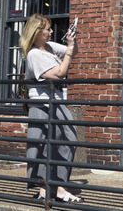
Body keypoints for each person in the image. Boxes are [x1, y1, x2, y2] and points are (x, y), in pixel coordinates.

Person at [21, 13, 84, 204]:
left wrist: (72, 41)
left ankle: (57, 186)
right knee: (44, 146)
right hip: (42, 104)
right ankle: (47, 189)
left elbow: (73, 52)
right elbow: (60, 72)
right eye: (48, 29)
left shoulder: (48, 47)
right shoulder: (34, 54)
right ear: (37, 32)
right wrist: (70, 48)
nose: (51, 32)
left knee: (67, 140)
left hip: (57, 101)